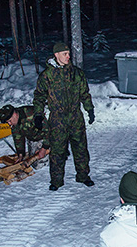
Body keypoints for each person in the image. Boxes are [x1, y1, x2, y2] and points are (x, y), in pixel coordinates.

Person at [33, 42, 95, 191]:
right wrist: (38, 114)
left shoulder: (76, 73)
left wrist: (89, 110)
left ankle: (83, 176)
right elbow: (39, 96)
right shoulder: (46, 76)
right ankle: (56, 181)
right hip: (57, 119)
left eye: (68, 53)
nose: (68, 56)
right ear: (56, 55)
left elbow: (84, 94)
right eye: (64, 54)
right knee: (57, 151)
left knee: (80, 149)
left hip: (75, 117)